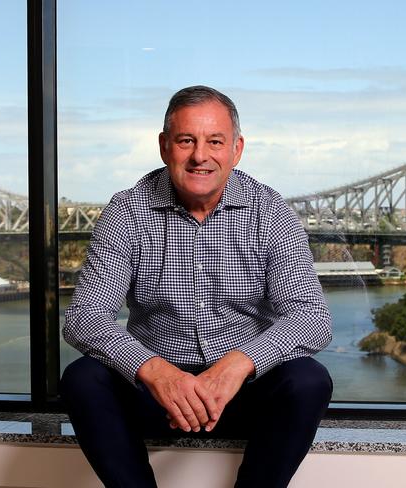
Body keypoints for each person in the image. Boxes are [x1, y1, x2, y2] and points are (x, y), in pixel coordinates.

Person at [60, 85, 333, 488]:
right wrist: (155, 372)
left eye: (215, 141)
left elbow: (312, 316)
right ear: (164, 146)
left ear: (236, 150)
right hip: (155, 394)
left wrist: (238, 365)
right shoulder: (127, 210)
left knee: (309, 380)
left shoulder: (270, 210)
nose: (200, 156)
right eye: (186, 140)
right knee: (82, 379)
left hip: (242, 393)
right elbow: (84, 317)